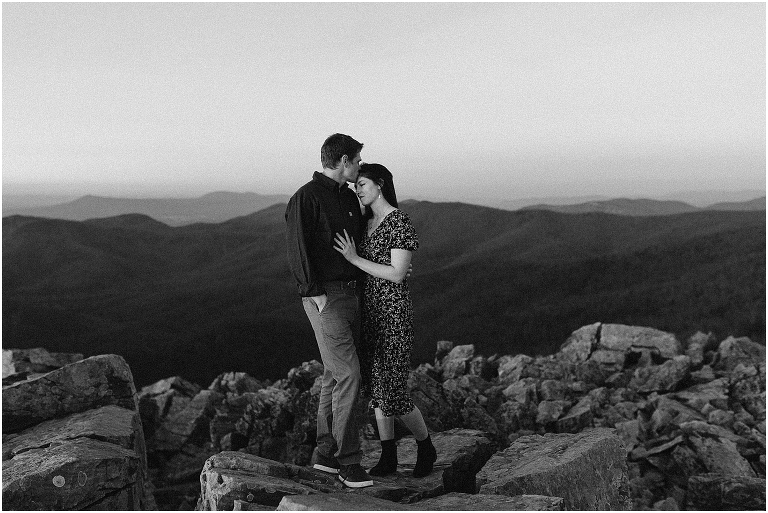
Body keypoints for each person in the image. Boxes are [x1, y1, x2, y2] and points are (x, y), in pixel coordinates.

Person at [333, 163, 438, 478]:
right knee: (376, 390)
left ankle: (426, 446)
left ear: (380, 184)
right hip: (369, 315)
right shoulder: (367, 223)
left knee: (392, 391)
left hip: (393, 316)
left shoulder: (400, 222)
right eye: (356, 186)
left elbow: (395, 274)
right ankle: (388, 456)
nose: (358, 190)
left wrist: (354, 258)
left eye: (362, 184)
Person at [284, 133, 373, 488]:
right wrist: (315, 294)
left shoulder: (348, 197)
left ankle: (325, 454)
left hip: (351, 295)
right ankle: (347, 462)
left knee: (334, 375)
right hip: (327, 298)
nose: (360, 166)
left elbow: (357, 243)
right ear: (343, 161)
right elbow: (298, 248)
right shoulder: (306, 197)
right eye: (357, 161)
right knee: (350, 374)